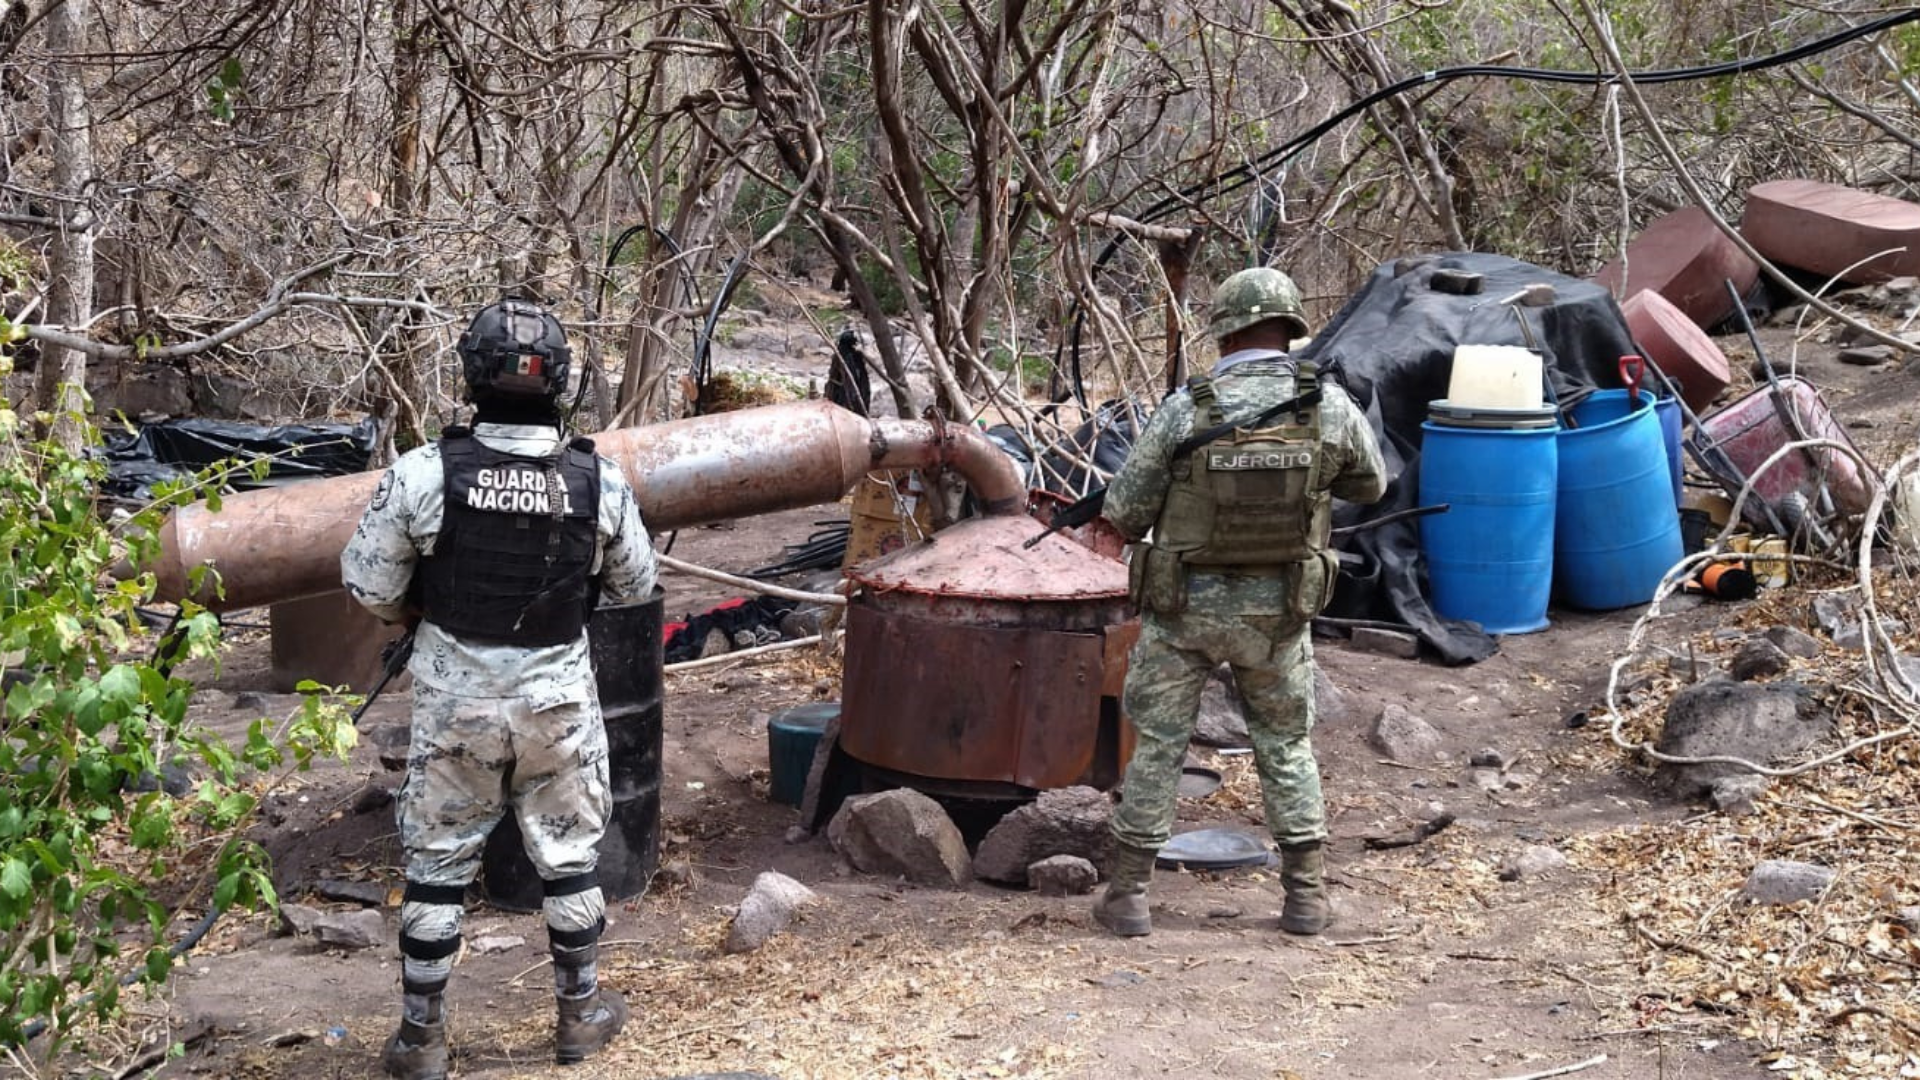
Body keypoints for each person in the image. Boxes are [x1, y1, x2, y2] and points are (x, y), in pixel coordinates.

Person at [341, 299, 657, 1078]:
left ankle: (421, 1040)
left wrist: (422, 606)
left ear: (472, 375)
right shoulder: (599, 480)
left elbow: (366, 584)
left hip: (456, 704)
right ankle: (579, 1016)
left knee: (437, 866)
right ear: (561, 382)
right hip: (558, 702)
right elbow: (635, 585)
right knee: (571, 860)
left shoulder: (421, 472)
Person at [1092, 267, 1386, 938]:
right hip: (1278, 611)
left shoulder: (1184, 408)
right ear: (1288, 328)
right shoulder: (1328, 406)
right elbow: (1371, 487)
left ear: (1222, 331)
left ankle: (1130, 898)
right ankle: (1305, 899)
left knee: (1161, 744)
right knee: (1285, 744)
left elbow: (1126, 510)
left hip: (1181, 609)